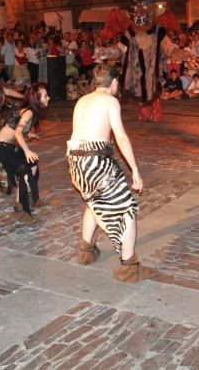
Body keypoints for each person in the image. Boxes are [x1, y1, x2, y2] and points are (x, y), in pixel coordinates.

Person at [66, 64, 158, 283]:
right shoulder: (110, 101)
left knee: (93, 202)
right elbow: (121, 137)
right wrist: (134, 169)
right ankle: (130, 267)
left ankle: (86, 251)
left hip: (76, 162)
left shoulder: (82, 100)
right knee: (127, 210)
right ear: (114, 82)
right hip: (95, 163)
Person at [0, 83, 49, 223]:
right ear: (37, 99)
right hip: (1, 147)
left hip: (7, 146)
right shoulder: (28, 112)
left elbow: (15, 127)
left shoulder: (29, 111)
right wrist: (27, 150)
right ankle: (20, 210)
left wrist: (29, 134)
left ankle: (25, 198)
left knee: (32, 165)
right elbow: (17, 132)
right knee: (24, 172)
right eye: (45, 96)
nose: (49, 97)